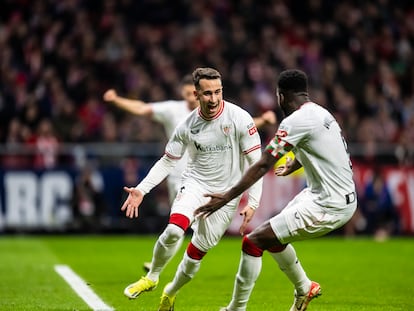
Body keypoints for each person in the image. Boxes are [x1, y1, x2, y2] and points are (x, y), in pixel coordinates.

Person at [195, 69, 357, 311]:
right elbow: (325, 148)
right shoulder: (321, 113)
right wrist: (296, 162)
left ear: (281, 96)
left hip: (328, 204)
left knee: (253, 241)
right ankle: (304, 288)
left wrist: (227, 197)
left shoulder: (295, 121)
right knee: (272, 238)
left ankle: (235, 309)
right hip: (328, 195)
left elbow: (262, 164)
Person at [119, 67, 264, 311]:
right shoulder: (187, 125)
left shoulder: (240, 118)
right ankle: (152, 277)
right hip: (195, 184)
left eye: (218, 92)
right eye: (207, 94)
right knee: (174, 231)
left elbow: (257, 164)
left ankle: (170, 291)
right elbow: (168, 160)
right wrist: (142, 189)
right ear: (196, 94)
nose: (214, 99)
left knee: (195, 254)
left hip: (226, 197)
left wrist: (253, 202)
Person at [103, 75, 277, 272]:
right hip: (179, 177)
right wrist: (116, 100)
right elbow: (142, 108)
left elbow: (238, 124)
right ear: (191, 93)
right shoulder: (173, 112)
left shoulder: (226, 113)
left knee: (181, 226)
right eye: (187, 94)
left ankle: (161, 265)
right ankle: (163, 266)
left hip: (204, 180)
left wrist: (262, 120)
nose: (190, 99)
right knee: (179, 226)